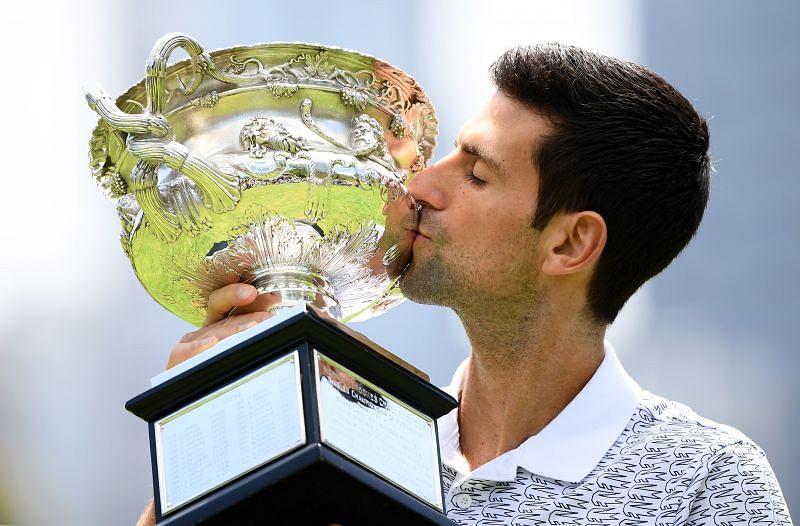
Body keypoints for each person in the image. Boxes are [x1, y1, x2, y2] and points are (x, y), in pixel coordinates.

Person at [137, 43, 792, 525]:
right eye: (449, 152)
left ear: (569, 243)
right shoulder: (355, 435)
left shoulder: (705, 483)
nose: (421, 185)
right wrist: (221, 412)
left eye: (475, 174)